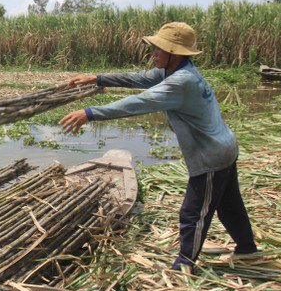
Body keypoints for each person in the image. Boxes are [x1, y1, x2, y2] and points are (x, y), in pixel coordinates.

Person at [60, 22, 258, 271]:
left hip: (212, 156)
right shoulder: (174, 71)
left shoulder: (181, 81)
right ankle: (247, 250)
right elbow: (138, 79)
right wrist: (98, 78)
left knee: (193, 214)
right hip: (225, 145)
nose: (153, 53)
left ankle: (184, 265)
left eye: (158, 49)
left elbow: (138, 103)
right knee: (229, 204)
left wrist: (90, 113)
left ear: (174, 53)